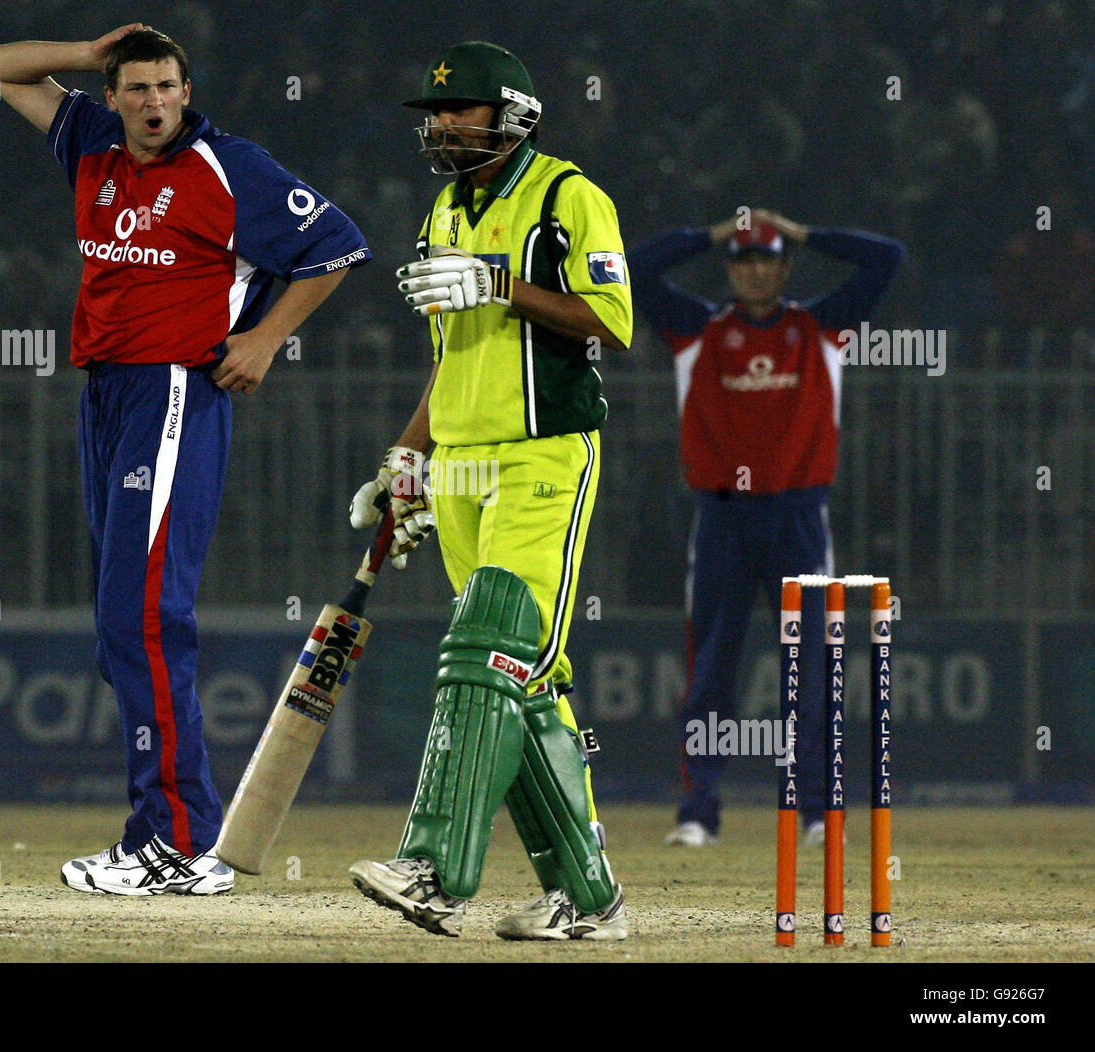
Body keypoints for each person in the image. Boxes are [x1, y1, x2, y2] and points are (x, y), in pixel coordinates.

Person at [0, 25, 369, 894]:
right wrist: (87, 51)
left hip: (172, 392)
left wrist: (265, 339)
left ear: (186, 91)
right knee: (125, 621)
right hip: (106, 394)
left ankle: (179, 840)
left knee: (145, 615)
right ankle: (165, 833)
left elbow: (338, 241)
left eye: (168, 86)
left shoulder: (230, 167)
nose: (156, 102)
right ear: (112, 96)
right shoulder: (87, 137)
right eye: (139, 88)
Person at [346, 41, 632, 940]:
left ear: (511, 112)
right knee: (526, 678)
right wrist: (406, 461)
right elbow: (448, 361)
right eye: (433, 113)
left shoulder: (567, 197)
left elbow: (613, 323)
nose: (439, 125)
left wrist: (503, 284)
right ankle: (591, 903)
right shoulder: (440, 209)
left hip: (545, 455)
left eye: (457, 110)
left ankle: (433, 871)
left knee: (485, 650)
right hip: (461, 463)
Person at [628, 211, 904, 847]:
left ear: (785, 267)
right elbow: (634, 269)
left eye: (769, 258)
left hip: (799, 517)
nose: (756, 270)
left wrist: (807, 232)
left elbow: (886, 255)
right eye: (744, 259)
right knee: (710, 669)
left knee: (811, 665)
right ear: (730, 268)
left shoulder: (821, 328)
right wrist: (712, 231)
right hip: (722, 517)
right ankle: (699, 811)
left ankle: (813, 812)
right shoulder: (697, 329)